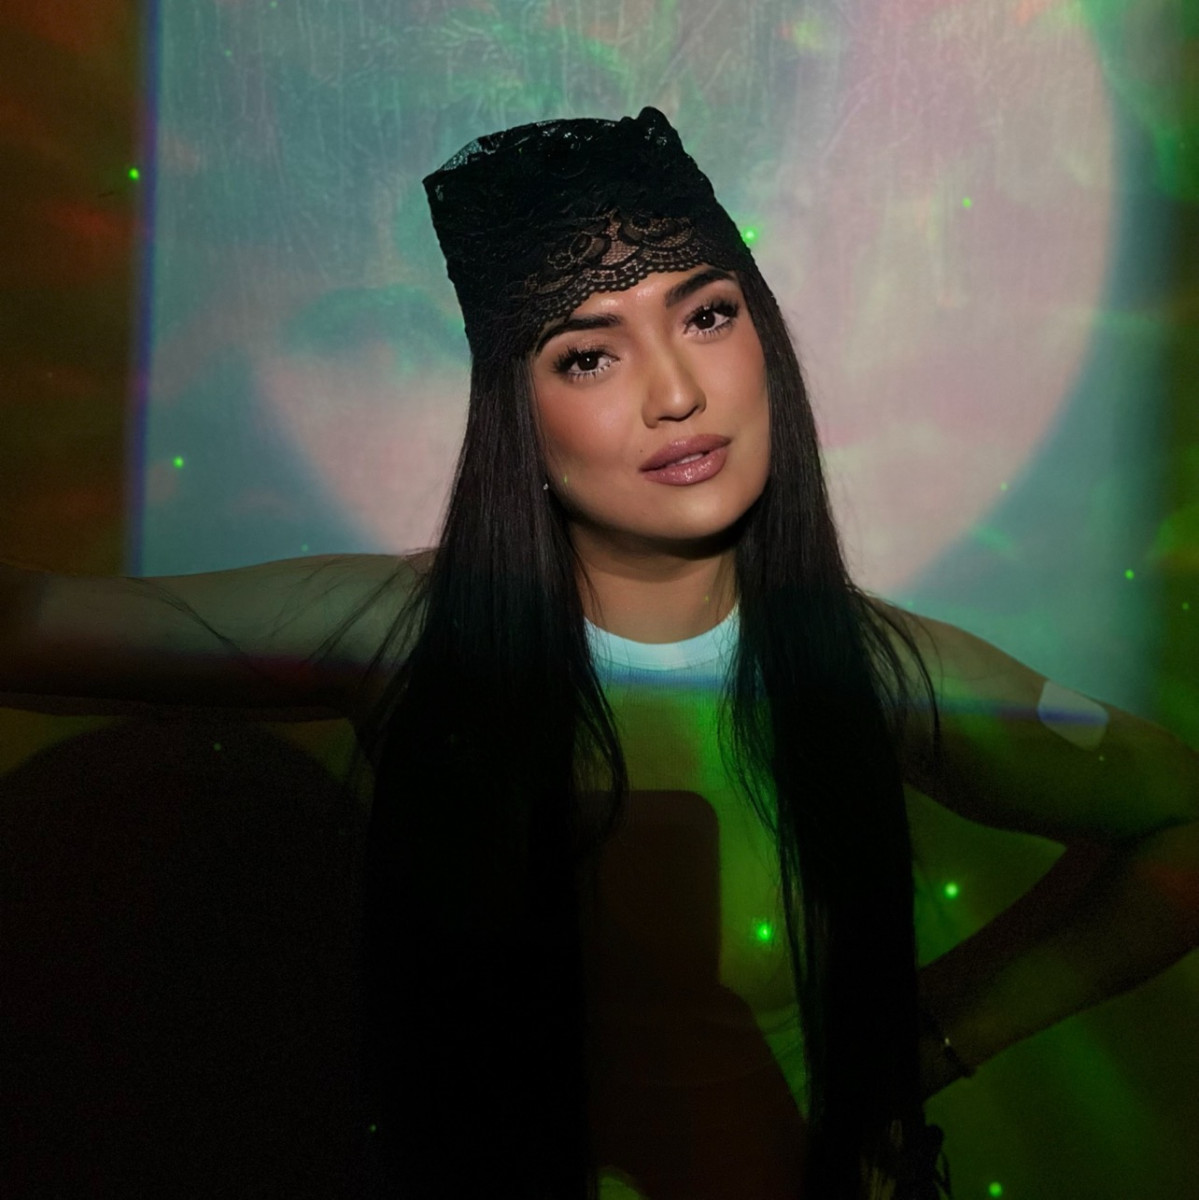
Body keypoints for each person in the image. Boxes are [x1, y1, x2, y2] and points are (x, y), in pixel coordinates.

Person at [3, 106, 1197, 1199]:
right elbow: (35, 623)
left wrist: (931, 1042)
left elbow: (1178, 824)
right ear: (515, 412)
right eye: (588, 353)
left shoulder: (875, 670)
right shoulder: (413, 629)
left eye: (706, 314)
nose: (675, 392)